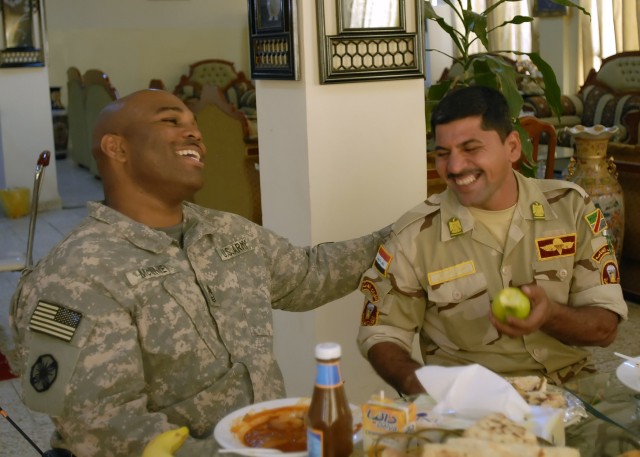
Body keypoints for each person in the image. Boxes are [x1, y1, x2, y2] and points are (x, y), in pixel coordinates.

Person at [9, 89, 390, 456]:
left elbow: (310, 275)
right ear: (117, 148)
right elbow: (103, 427)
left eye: (193, 123)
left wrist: (407, 232)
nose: (195, 133)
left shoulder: (225, 231)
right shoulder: (75, 274)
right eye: (170, 121)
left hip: (266, 444)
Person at [356, 85, 628, 396]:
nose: (455, 168)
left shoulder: (570, 208)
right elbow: (381, 333)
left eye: (471, 149)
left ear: (512, 147)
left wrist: (550, 314)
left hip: (572, 391)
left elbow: (605, 327)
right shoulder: (415, 236)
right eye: (443, 154)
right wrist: (419, 385)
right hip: (469, 401)